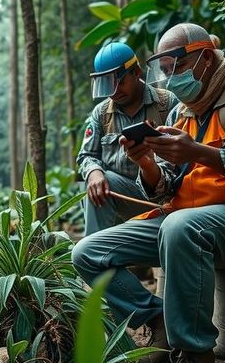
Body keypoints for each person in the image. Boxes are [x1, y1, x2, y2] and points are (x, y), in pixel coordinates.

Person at [72, 23, 225, 363]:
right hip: (186, 218)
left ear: (205, 58)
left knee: (179, 226)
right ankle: (158, 317)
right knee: (88, 253)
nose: (172, 76)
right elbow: (166, 189)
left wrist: (200, 153)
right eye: (165, 68)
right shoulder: (179, 110)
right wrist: (146, 163)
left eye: (177, 64)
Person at [77, 42, 179, 236]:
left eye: (119, 82)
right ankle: (95, 257)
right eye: (107, 85)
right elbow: (86, 156)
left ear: (137, 73)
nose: (114, 91)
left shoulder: (166, 104)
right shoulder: (101, 114)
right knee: (96, 184)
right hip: (124, 200)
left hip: (167, 199)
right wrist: (94, 173)